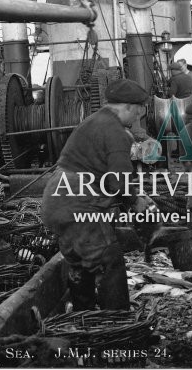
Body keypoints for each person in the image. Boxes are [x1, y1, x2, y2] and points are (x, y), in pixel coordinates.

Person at [41, 79, 155, 311]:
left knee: (80, 265)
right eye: (138, 112)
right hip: (78, 203)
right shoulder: (115, 132)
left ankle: (85, 318)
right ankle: (118, 323)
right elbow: (119, 181)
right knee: (108, 261)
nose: (137, 119)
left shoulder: (93, 121)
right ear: (130, 107)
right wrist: (136, 201)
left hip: (56, 199)